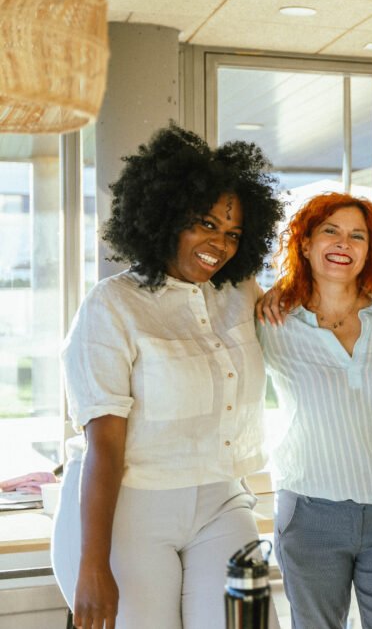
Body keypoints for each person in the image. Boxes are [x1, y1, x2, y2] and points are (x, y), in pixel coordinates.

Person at [52, 125, 283, 629]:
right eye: (204, 224)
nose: (218, 244)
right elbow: (104, 447)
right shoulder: (112, 305)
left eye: (233, 234)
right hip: (134, 508)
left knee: (249, 623)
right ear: (165, 216)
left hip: (223, 500)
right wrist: (92, 565)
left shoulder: (239, 290)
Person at [257, 193, 372, 629]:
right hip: (311, 513)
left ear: (370, 251)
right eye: (330, 230)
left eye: (357, 236)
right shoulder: (273, 321)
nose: (343, 243)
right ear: (307, 243)